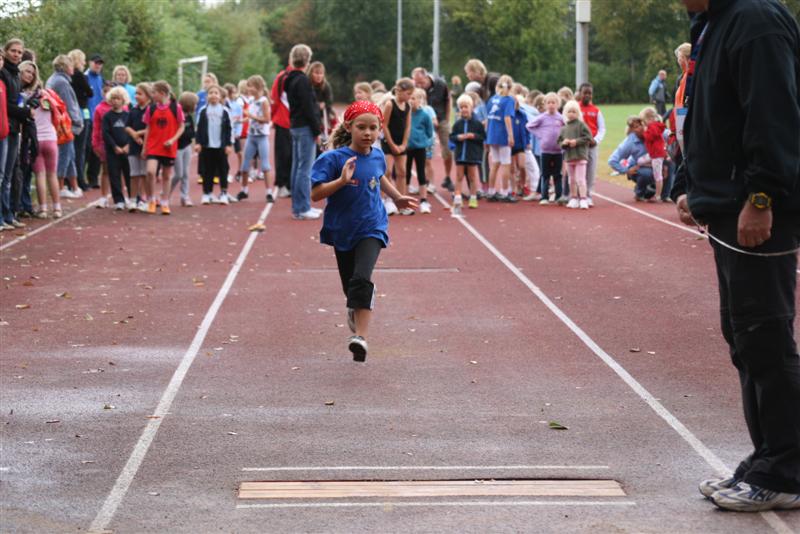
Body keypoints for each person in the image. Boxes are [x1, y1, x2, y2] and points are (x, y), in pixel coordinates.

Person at [673, 0, 800, 513]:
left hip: (758, 209)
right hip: (728, 206)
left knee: (765, 335)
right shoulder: (714, 24)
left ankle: (787, 470)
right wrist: (689, 185)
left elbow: (774, 116)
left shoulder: (755, 21)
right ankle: (768, 456)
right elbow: (702, 115)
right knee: (745, 336)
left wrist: (762, 196)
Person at [310, 100, 417, 362]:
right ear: (349, 127)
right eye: (362, 127)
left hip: (372, 226)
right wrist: (341, 181)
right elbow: (315, 194)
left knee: (361, 279)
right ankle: (356, 305)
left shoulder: (377, 155)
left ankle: (360, 338)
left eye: (373, 127)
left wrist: (397, 197)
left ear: (380, 128)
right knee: (351, 287)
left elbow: (379, 176)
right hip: (342, 229)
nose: (368, 133)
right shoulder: (332, 159)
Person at [284, 44, 322, 220]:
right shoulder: (303, 81)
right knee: (305, 169)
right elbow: (308, 107)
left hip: (295, 125)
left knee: (297, 167)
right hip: (305, 127)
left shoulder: (289, 79)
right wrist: (317, 130)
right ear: (307, 60)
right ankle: (303, 207)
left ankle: (298, 206)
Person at [19, 61, 60, 219]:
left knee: (40, 175)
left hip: (35, 139)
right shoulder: (48, 96)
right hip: (50, 138)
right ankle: (57, 208)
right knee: (52, 174)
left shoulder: (24, 96)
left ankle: (43, 209)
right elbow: (57, 115)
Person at [142, 80, 184, 215]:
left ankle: (165, 202)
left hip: (168, 147)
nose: (152, 95)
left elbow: (181, 127)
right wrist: (144, 147)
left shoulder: (176, 108)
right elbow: (148, 128)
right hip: (153, 146)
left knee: (167, 175)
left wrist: (173, 139)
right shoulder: (151, 108)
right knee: (150, 172)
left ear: (162, 93)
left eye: (154, 92)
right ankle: (151, 200)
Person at [46, 54, 84, 202]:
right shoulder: (61, 82)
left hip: (60, 123)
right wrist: (77, 121)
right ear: (65, 66)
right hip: (64, 125)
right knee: (64, 155)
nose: (73, 67)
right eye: (70, 65)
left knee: (70, 155)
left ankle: (74, 186)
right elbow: (68, 104)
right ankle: (61, 187)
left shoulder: (54, 79)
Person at [1, 39, 29, 230]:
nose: (16, 54)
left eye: (19, 52)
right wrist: (25, 112)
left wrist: (24, 110)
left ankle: (9, 214)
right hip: (5, 127)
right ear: (6, 51)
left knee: (9, 174)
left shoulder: (16, 74)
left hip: (15, 127)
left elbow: (17, 101)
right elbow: (6, 106)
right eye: (13, 51)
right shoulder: (2, 73)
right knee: (3, 174)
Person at [412, 67, 452, 192]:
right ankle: (424, 181)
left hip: (440, 119)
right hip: (423, 122)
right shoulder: (415, 87)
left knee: (447, 148)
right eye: (416, 83)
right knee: (423, 155)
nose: (419, 85)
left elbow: (448, 100)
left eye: (421, 82)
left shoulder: (440, 84)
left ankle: (447, 177)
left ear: (426, 76)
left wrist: (446, 119)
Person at [380, 78, 414, 215]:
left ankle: (402, 202)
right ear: (399, 91)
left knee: (402, 172)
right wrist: (392, 144)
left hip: (401, 143)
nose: (409, 97)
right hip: (389, 142)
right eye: (408, 94)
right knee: (387, 171)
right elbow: (384, 125)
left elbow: (408, 126)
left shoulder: (408, 106)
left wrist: (404, 144)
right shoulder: (390, 104)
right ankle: (385, 200)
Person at [195, 84, 233, 205]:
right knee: (207, 170)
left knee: (223, 170)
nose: (213, 95)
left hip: (221, 146)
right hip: (207, 145)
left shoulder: (225, 111)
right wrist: (198, 143)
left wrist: (229, 144)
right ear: (207, 96)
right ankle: (207, 193)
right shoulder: (203, 111)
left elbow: (229, 128)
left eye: (216, 93)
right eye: (210, 93)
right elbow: (199, 128)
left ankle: (223, 193)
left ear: (220, 96)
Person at [239, 75, 273, 202]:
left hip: (262, 137)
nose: (248, 88)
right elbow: (251, 117)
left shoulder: (264, 101)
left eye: (250, 86)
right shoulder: (251, 100)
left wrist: (250, 116)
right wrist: (241, 120)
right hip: (251, 136)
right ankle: (244, 190)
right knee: (245, 165)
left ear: (257, 87)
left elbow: (267, 119)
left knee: (265, 165)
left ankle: (269, 193)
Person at [449, 94, 485, 211]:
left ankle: (473, 197)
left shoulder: (477, 124)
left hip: (472, 154)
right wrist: (458, 137)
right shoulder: (457, 124)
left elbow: (482, 137)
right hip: (460, 154)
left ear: (471, 108)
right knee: (459, 176)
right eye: (461, 107)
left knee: (472, 177)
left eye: (466, 107)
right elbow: (452, 136)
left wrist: (473, 136)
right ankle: (457, 198)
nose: (464, 109)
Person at [527, 92, 564, 205]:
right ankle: (544, 197)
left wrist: (563, 139)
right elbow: (529, 126)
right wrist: (540, 135)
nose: (551, 105)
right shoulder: (542, 117)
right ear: (545, 104)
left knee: (557, 175)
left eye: (553, 102)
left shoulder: (561, 118)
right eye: (549, 103)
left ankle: (558, 197)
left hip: (558, 151)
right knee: (545, 174)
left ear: (558, 104)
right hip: (545, 151)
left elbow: (567, 128)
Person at [607, 116, 655, 201]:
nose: (641, 128)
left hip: (655, 164)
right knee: (646, 173)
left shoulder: (653, 133)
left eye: (641, 125)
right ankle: (639, 193)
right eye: (636, 127)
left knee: (670, 166)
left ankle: (662, 194)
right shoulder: (629, 142)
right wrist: (626, 170)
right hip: (639, 167)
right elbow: (612, 160)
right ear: (632, 130)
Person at [485, 75, 516, 202]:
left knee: (495, 163)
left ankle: (491, 191)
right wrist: (510, 135)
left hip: (492, 134)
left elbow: (488, 118)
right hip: (502, 134)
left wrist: (487, 135)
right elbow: (507, 117)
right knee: (506, 163)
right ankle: (504, 191)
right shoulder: (509, 100)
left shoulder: (492, 99)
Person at [557, 100, 593, 210]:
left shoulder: (582, 125)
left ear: (578, 113)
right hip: (569, 157)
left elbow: (588, 138)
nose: (571, 114)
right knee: (571, 180)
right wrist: (563, 143)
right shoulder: (564, 128)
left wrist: (576, 142)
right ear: (565, 113)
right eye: (569, 111)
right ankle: (573, 198)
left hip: (580, 156)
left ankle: (583, 199)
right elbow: (559, 141)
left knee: (580, 179)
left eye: (574, 111)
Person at [101, 86, 131, 210]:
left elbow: (132, 131)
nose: (115, 101)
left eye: (118, 98)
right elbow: (105, 133)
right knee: (114, 175)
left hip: (127, 151)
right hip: (112, 151)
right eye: (113, 98)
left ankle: (132, 197)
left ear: (123, 100)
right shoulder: (107, 116)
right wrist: (114, 146)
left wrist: (128, 145)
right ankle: (119, 200)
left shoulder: (128, 115)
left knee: (129, 175)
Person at [577, 82, 605, 205]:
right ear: (580, 93)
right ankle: (576, 194)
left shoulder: (596, 111)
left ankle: (588, 195)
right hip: (578, 146)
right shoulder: (575, 108)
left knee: (591, 170)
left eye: (590, 93)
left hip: (592, 145)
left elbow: (602, 128)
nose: (587, 95)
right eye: (585, 93)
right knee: (578, 170)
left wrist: (596, 140)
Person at [405, 88, 433, 214]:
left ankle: (424, 201)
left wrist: (422, 140)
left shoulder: (425, 115)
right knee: (406, 173)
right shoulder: (406, 114)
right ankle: (405, 200)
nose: (411, 101)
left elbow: (429, 132)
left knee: (421, 173)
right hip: (406, 148)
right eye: (409, 98)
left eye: (414, 98)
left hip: (420, 148)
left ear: (419, 100)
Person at [68, 49, 92, 192]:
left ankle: (70, 179)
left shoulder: (68, 76)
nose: (84, 62)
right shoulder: (80, 75)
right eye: (83, 59)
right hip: (81, 113)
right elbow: (90, 92)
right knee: (80, 148)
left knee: (71, 148)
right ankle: (79, 180)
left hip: (71, 114)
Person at [125, 82, 151, 212]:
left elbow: (152, 128)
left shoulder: (151, 110)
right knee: (134, 174)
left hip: (147, 146)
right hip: (134, 146)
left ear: (148, 95)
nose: (136, 96)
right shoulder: (133, 110)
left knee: (145, 174)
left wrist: (140, 133)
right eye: (136, 93)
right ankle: (133, 199)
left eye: (140, 94)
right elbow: (127, 126)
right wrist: (134, 135)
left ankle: (145, 200)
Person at [271, 65, 294, 199]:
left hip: (297, 122)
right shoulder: (282, 77)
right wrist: (274, 116)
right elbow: (274, 98)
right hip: (283, 120)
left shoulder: (303, 76)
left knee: (293, 155)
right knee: (283, 155)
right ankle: (282, 184)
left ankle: (290, 184)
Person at [170, 91, 197, 208]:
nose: (196, 106)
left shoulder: (189, 117)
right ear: (189, 104)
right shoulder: (177, 115)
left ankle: (184, 196)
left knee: (186, 173)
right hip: (177, 148)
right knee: (178, 174)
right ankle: (165, 193)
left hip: (186, 147)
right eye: (195, 104)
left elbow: (192, 132)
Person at [91, 82, 113, 208]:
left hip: (119, 144)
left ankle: (123, 197)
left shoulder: (124, 107)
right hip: (104, 144)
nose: (108, 94)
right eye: (105, 91)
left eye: (110, 91)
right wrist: (95, 144)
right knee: (105, 171)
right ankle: (104, 197)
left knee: (120, 171)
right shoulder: (99, 108)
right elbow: (96, 128)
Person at [85, 54, 104, 188]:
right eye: (96, 62)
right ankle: (81, 178)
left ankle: (93, 178)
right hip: (87, 117)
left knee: (96, 149)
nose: (98, 65)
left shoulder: (101, 79)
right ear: (90, 63)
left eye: (100, 63)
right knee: (85, 149)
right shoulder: (85, 77)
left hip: (99, 118)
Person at [639, 107, 667, 202]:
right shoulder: (654, 125)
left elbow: (651, 137)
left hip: (657, 154)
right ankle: (657, 167)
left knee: (657, 176)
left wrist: (645, 132)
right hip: (653, 154)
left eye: (644, 121)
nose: (644, 124)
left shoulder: (653, 126)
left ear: (649, 118)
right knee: (639, 161)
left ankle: (657, 195)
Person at [308, 61, 335, 151]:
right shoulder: (308, 85)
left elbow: (329, 101)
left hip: (323, 116)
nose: (319, 76)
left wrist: (325, 104)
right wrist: (317, 105)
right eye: (316, 73)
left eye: (321, 73)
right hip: (311, 114)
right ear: (311, 73)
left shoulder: (326, 86)